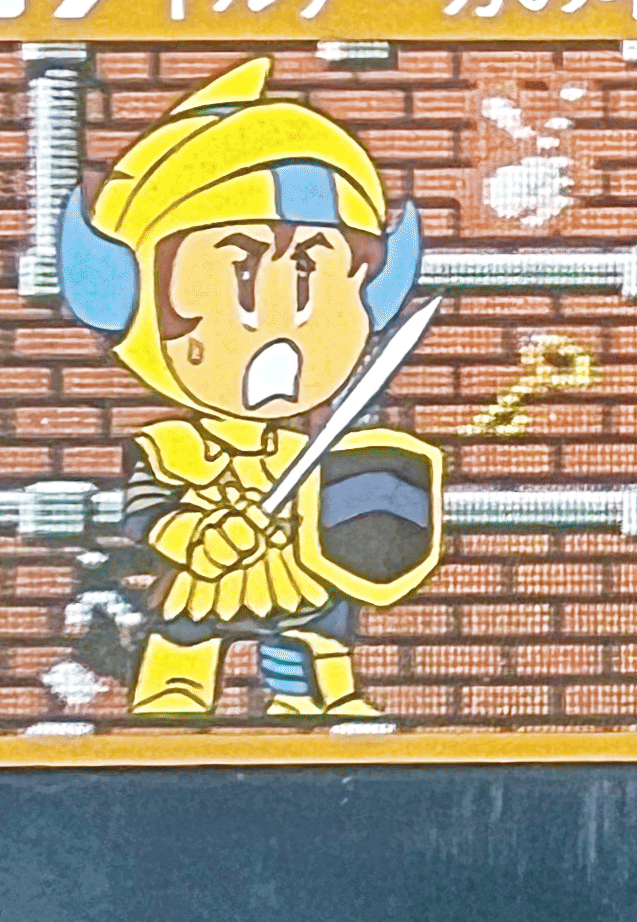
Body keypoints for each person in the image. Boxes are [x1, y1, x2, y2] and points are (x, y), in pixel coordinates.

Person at [54, 56, 442, 718]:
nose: (280, 322)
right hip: (204, 579)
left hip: (292, 576)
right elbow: (147, 511)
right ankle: (174, 698)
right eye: (239, 277)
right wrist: (192, 536)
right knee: (184, 651)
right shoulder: (171, 445)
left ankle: (317, 694)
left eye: (313, 283)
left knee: (314, 632)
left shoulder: (307, 452)